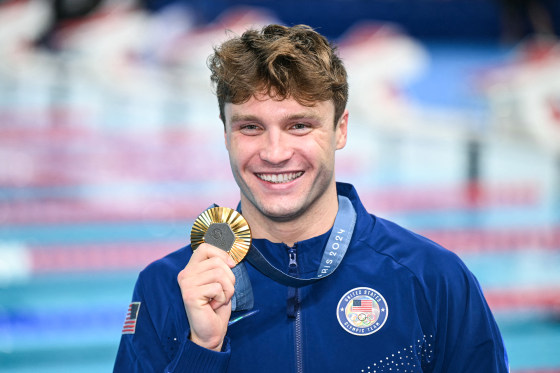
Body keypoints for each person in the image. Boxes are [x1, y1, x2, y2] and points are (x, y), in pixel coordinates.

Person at [113, 24, 509, 372]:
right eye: (250, 127)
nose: (274, 152)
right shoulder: (166, 287)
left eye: (299, 125)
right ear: (226, 135)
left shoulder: (432, 277)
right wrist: (203, 351)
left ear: (340, 129)